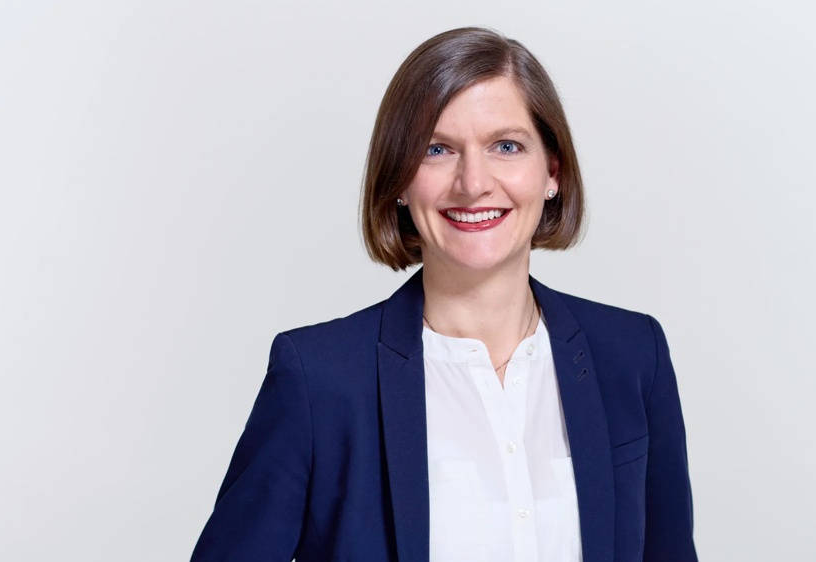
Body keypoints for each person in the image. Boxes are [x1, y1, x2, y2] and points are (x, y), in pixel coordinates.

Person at [190, 27, 697, 562]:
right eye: (437, 149)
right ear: (401, 182)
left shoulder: (634, 356)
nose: (473, 182)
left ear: (552, 171)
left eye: (506, 146)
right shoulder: (319, 381)